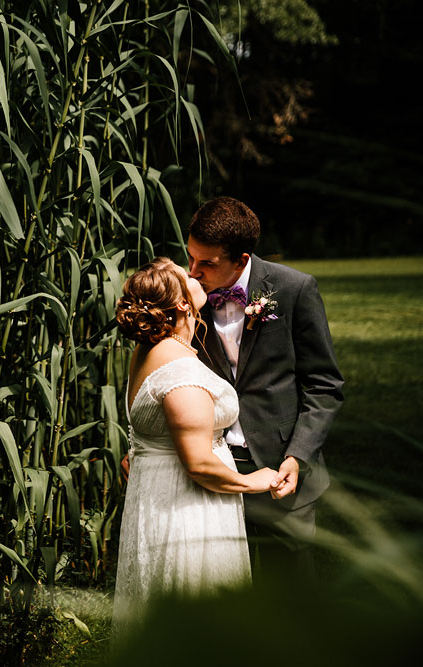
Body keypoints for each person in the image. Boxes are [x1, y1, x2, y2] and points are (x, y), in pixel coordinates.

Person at [111, 257, 281, 636]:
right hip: (186, 510)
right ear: (184, 304)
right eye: (186, 276)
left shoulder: (149, 350)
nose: (195, 274)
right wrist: (258, 481)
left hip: (159, 495)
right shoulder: (182, 373)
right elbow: (199, 464)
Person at [186, 197, 344, 583]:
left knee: (288, 591)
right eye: (190, 257)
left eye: (207, 263)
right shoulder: (186, 295)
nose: (193, 271)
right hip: (215, 465)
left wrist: (297, 456)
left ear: (241, 260)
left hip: (280, 465)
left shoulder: (294, 289)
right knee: (223, 587)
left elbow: (325, 384)